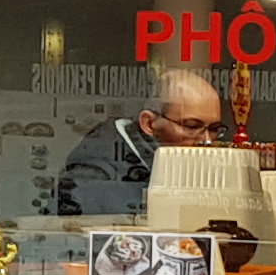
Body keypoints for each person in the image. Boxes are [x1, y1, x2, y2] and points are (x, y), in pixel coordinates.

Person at [53, 67, 225, 219]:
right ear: (148, 123)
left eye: (214, 129)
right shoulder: (94, 174)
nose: (207, 140)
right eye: (191, 126)